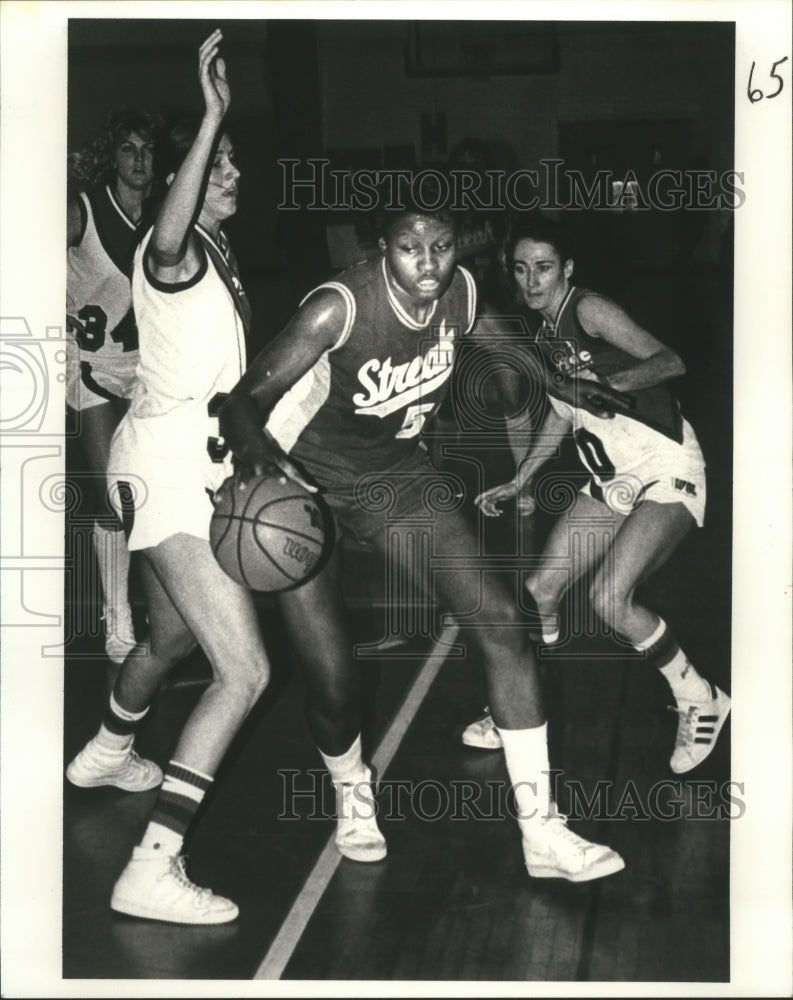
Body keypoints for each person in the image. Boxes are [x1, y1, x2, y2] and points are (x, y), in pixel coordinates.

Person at [218, 180, 626, 885]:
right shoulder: (336, 307)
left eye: (439, 246)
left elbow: (515, 352)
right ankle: (351, 792)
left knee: (501, 622)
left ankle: (543, 834)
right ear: (384, 249)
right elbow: (244, 398)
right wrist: (255, 451)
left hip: (395, 480)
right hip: (302, 489)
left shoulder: (460, 293)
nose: (428, 263)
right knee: (336, 682)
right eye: (410, 249)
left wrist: (570, 384)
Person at [66, 31, 267, 925]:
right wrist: (212, 113)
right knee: (245, 672)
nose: (227, 171)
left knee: (173, 642)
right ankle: (153, 864)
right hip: (165, 472)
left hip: (171, 459)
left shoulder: (219, 261)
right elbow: (170, 226)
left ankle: (107, 751)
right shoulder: (171, 248)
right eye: (211, 162)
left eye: (230, 163)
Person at [468, 214, 731, 774]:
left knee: (610, 599)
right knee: (542, 588)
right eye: (521, 269)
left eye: (543, 267)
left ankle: (699, 697)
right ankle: (524, 706)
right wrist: (522, 477)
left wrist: (609, 387)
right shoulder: (542, 335)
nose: (532, 280)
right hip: (612, 482)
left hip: (665, 466)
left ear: (566, 268)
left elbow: (670, 360)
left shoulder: (588, 310)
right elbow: (563, 417)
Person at [67, 107, 164, 663]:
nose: (139, 160)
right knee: (113, 495)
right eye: (128, 149)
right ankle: (117, 618)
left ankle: (163, 608)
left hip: (146, 371)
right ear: (112, 157)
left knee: (152, 494)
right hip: (91, 364)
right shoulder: (81, 211)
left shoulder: (163, 217)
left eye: (147, 151)